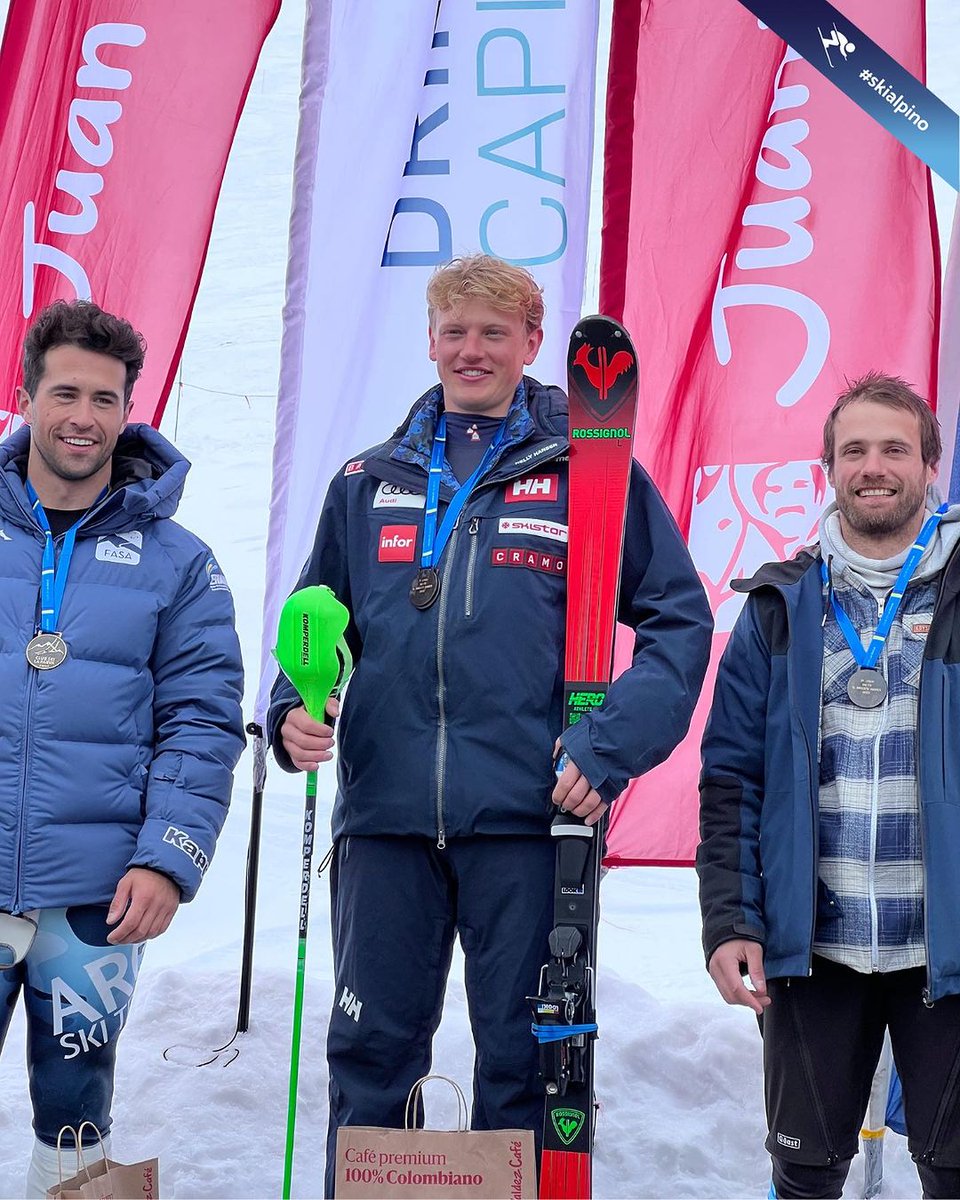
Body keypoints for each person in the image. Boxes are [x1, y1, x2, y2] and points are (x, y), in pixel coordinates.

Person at [268, 253, 712, 1194]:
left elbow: (681, 622)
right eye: (455, 331)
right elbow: (316, 623)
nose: (472, 349)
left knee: (527, 1062)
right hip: (385, 820)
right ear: (430, 341)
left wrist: (609, 744)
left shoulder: (591, 473)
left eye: (494, 332)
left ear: (532, 344)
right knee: (372, 1056)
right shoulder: (365, 481)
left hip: (530, 820)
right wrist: (291, 712)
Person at [0, 300, 245, 1196]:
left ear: (127, 411)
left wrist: (168, 859)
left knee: (74, 1117)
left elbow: (203, 720)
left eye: (105, 400)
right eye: (65, 392)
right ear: (25, 397)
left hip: (99, 898)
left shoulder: (179, 563)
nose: (82, 417)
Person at [698, 372, 960, 1200]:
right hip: (815, 949)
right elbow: (731, 777)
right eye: (854, 450)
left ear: (931, 463)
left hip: (947, 950)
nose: (873, 466)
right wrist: (731, 919)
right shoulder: (780, 605)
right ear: (828, 467)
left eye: (893, 448)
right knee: (805, 1172)